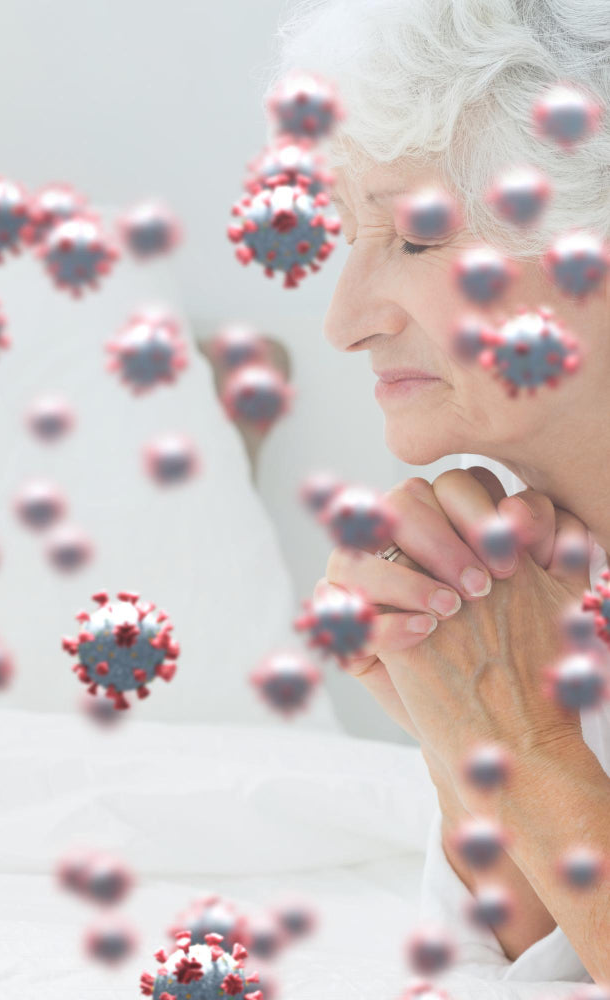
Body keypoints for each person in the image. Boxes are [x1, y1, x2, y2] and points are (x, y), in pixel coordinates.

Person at [269, 0, 610, 982]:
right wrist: (467, 736)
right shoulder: (520, 587)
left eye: (415, 238)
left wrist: (520, 736)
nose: (342, 322)